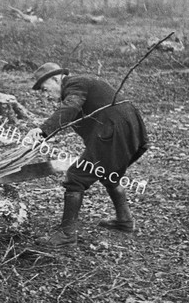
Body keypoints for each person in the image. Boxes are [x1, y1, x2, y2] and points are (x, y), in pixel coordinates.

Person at [26, 62, 149, 248]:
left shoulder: (75, 84)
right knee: (108, 173)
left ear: (55, 78)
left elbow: (70, 108)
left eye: (45, 88)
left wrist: (42, 131)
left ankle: (67, 235)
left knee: (76, 177)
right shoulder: (83, 83)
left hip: (115, 132)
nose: (46, 94)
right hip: (131, 132)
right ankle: (124, 220)